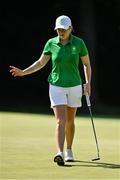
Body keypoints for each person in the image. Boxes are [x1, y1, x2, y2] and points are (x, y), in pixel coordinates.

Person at [9, 15, 92, 166]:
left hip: (74, 85)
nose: (60, 31)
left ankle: (69, 150)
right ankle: (59, 152)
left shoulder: (79, 43)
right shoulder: (51, 43)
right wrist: (23, 72)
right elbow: (40, 62)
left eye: (63, 29)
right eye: (58, 29)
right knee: (60, 120)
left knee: (70, 121)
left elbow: (86, 64)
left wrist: (88, 83)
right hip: (56, 86)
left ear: (70, 28)